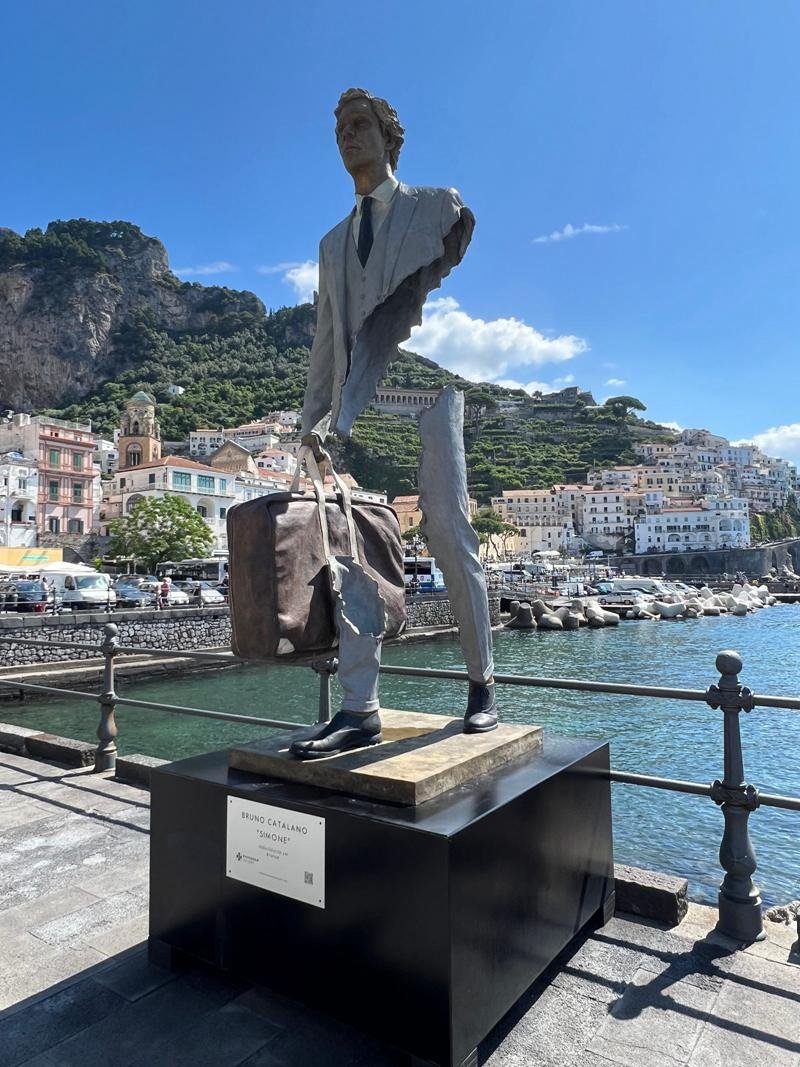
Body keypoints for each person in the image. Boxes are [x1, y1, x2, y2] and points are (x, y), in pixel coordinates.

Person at [290, 88, 497, 760]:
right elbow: (327, 344)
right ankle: (359, 707)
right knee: (350, 544)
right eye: (340, 128)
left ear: (389, 137)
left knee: (449, 528)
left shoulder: (437, 207)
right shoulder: (330, 244)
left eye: (360, 125)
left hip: (425, 396)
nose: (347, 136)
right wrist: (308, 425)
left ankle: (481, 684)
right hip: (355, 408)